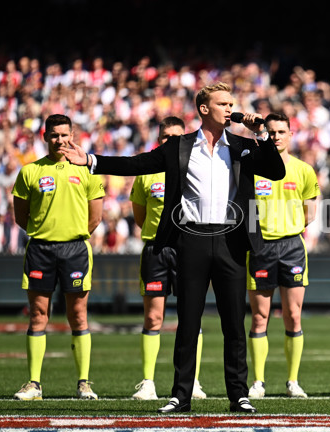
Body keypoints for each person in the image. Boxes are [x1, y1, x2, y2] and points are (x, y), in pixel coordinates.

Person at [60, 82, 285, 413]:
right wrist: (92, 160)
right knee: (188, 321)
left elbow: (276, 171)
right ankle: (181, 395)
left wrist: (262, 134)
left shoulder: (242, 145)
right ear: (204, 109)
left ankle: (238, 395)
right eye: (222, 103)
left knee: (234, 323)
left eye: (231, 103)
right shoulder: (180, 146)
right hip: (190, 240)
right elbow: (137, 164)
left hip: (231, 241)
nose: (230, 108)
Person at [12, 114, 105, 400]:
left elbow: (95, 217)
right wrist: (47, 231)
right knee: (38, 315)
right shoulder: (30, 171)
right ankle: (34, 384)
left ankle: (84, 383)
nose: (60, 140)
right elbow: (21, 216)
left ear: (72, 135)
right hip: (40, 250)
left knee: (78, 315)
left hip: (75, 250)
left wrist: (70, 233)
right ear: (45, 137)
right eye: (54, 135)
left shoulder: (88, 170)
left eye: (64, 135)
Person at [130, 116, 206, 400]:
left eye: (177, 137)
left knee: (191, 317)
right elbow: (140, 216)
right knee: (153, 316)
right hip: (156, 250)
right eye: (165, 138)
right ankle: (148, 381)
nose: (171, 142)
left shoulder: (196, 169)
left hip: (190, 248)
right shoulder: (146, 172)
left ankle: (193, 380)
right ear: (158, 139)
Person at [246, 112, 319, 399]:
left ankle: (292, 381)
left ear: (290, 135)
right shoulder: (253, 167)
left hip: (291, 247)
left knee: (293, 315)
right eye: (271, 132)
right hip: (260, 247)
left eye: (281, 132)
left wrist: (288, 228)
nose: (275, 136)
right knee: (259, 317)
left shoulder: (303, 170)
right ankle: (259, 382)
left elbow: (310, 213)